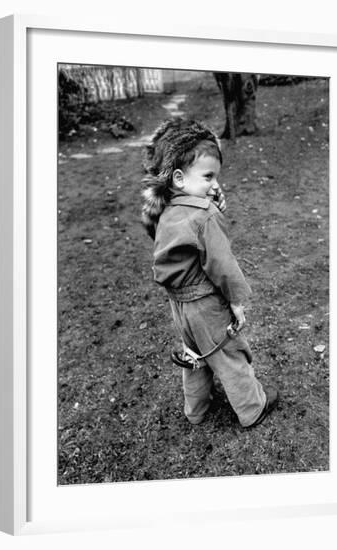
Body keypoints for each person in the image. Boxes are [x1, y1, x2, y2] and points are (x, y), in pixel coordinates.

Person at [141, 118, 278, 428]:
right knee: (229, 355)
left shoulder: (168, 209)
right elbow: (222, 265)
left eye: (216, 176)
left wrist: (209, 201)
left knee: (194, 357)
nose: (215, 184)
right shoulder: (204, 216)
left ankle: (197, 410)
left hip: (180, 307)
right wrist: (237, 302)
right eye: (208, 177)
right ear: (178, 178)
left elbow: (185, 241)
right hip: (205, 306)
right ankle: (253, 408)